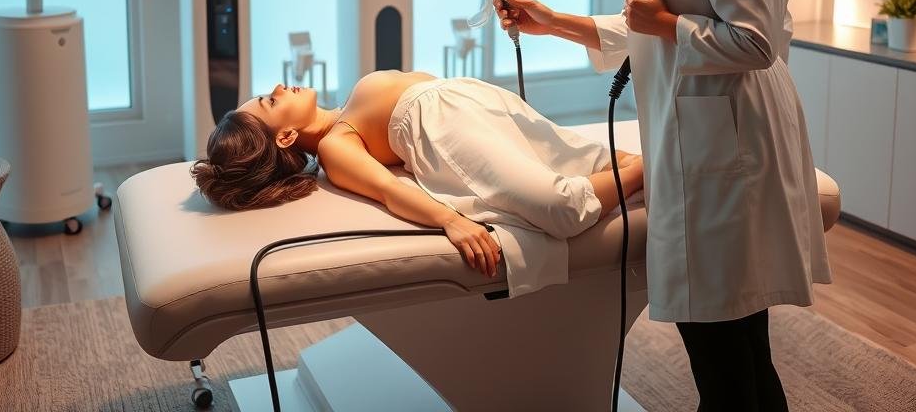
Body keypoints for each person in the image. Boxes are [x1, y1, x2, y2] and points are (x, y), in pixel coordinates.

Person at [493, 0, 831, 411]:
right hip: (722, 139)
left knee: (721, 345)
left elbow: (757, 42)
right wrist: (552, 21)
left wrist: (670, 25)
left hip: (724, 151)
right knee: (738, 339)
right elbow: (649, 25)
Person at [191, 70, 644, 297]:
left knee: (595, 159)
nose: (279, 86)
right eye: (271, 100)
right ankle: (660, 168)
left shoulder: (346, 112)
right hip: (445, 122)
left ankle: (654, 168)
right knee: (559, 207)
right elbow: (390, 191)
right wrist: (452, 221)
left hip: (473, 100)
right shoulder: (335, 145)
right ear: (286, 136)